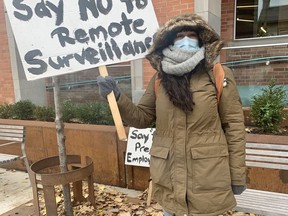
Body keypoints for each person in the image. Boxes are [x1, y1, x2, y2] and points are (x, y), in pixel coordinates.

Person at [97, 13, 246, 216]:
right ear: (169, 41)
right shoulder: (160, 79)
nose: (186, 40)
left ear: (201, 38)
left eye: (191, 34)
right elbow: (141, 118)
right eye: (179, 35)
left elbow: (234, 127)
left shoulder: (218, 74)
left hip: (207, 179)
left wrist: (237, 176)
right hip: (169, 179)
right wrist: (116, 96)